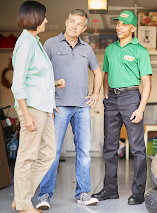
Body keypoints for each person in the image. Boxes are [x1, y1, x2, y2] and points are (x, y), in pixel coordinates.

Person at [36, 9, 102, 209]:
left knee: (84, 152)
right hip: (59, 107)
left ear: (84, 28)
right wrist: (49, 100)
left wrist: (96, 93)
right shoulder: (50, 44)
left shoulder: (87, 49)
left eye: (79, 24)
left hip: (82, 107)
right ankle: (44, 196)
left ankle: (83, 193)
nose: (75, 26)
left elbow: (97, 72)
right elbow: (40, 73)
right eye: (72, 22)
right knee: (53, 152)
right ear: (66, 22)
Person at [91, 10, 152, 205]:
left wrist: (141, 108)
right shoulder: (110, 50)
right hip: (112, 100)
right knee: (109, 147)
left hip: (131, 97)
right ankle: (110, 190)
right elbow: (106, 73)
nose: (119, 27)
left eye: (124, 25)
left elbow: (147, 83)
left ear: (133, 28)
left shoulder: (140, 50)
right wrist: (106, 93)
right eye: (118, 24)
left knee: (137, 149)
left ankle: (138, 192)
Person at [11, 1, 66, 213]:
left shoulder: (35, 42)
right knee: (27, 156)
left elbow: (35, 77)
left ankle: (21, 197)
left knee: (48, 154)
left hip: (44, 108)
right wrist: (26, 115)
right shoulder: (25, 42)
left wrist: (54, 84)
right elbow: (18, 83)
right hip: (31, 108)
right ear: (34, 17)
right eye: (44, 17)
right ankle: (24, 205)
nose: (46, 20)